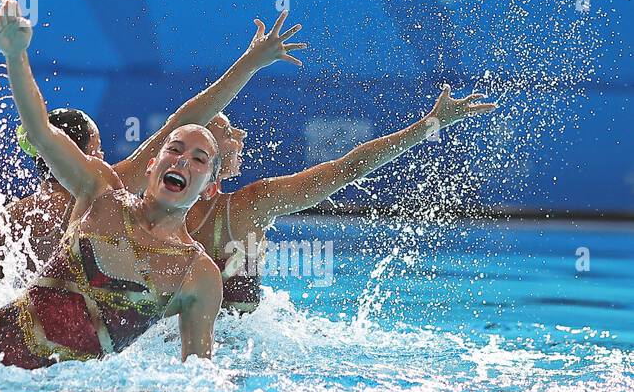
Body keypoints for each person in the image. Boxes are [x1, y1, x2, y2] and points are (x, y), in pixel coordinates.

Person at [0, 1, 281, 367]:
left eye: (199, 159)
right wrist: (15, 55)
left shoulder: (199, 276)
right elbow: (41, 132)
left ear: (209, 187)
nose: (182, 160)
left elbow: (196, 378)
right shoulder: (102, 194)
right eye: (175, 150)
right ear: (151, 165)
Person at [0, 10, 307, 308]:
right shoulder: (105, 192)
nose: (103, 159)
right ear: (83, 155)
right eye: (98, 151)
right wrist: (249, 63)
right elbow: (187, 119)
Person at [187, 89, 496, 313]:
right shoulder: (249, 206)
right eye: (228, 131)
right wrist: (429, 125)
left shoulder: (147, 211)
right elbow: (350, 168)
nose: (240, 135)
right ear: (209, 154)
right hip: (240, 349)